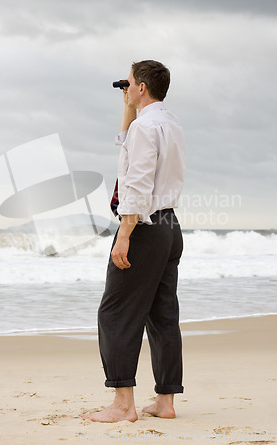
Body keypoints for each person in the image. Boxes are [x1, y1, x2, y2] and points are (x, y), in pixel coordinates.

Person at [82, 60, 185, 423]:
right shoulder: (169, 122)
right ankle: (166, 401)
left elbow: (137, 183)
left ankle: (123, 405)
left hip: (143, 227)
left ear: (141, 86)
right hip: (170, 227)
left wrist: (124, 235)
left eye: (128, 84)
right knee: (162, 315)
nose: (125, 88)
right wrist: (128, 109)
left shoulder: (146, 127)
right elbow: (128, 147)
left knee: (116, 313)